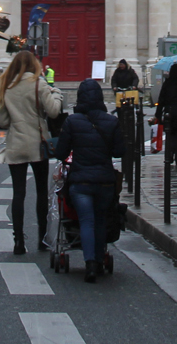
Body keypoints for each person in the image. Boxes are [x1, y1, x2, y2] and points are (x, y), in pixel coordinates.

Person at [51, 78, 126, 282]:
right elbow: (120, 151)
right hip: (104, 181)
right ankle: (99, 259)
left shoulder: (73, 121)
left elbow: (61, 153)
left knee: (86, 220)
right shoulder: (111, 121)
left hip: (80, 182)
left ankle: (90, 263)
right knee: (100, 220)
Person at [0, 50, 62, 255]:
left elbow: (3, 121)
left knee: (18, 193)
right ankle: (42, 239)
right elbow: (53, 111)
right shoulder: (38, 83)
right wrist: (56, 94)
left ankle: (18, 241)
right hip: (37, 144)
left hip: (16, 143)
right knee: (41, 191)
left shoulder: (8, 86)